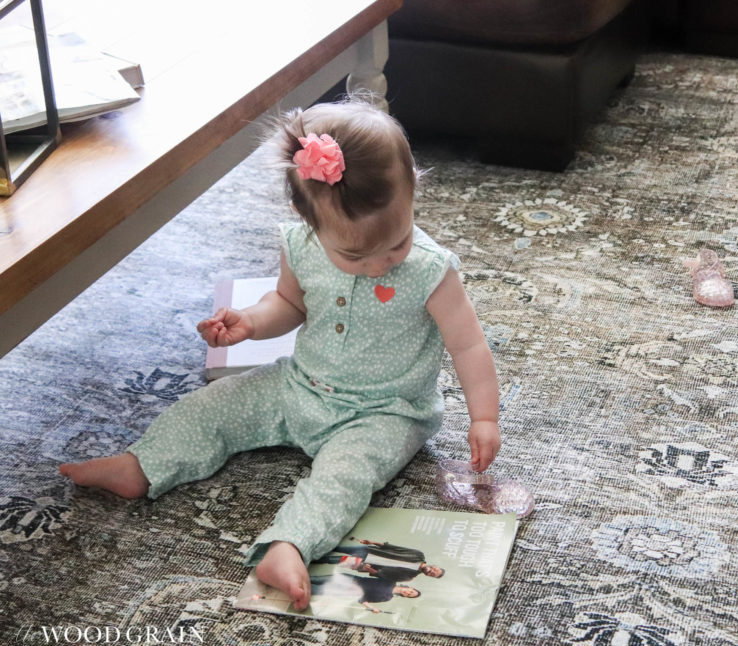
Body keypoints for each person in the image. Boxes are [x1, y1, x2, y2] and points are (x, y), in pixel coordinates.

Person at [58, 98, 501, 612]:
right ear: (305, 218)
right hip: (300, 385)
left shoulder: (431, 270)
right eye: (354, 255)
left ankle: (288, 545)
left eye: (396, 243)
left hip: (386, 413)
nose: (379, 264)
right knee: (214, 404)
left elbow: (468, 344)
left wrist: (484, 415)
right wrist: (250, 322)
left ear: (413, 193)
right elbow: (289, 303)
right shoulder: (300, 245)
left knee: (342, 479)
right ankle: (144, 463)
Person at [316, 537, 444, 581]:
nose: (431, 571)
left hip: (365, 564)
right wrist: (372, 542)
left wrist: (369, 570)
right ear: (434, 565)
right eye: (434, 569)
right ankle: (315, 546)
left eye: (432, 574)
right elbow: (393, 547)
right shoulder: (418, 555)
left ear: (429, 576)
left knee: (332, 560)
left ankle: (312, 558)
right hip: (370, 551)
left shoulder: (409, 576)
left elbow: (383, 575)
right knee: (338, 548)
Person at [309, 573, 419, 613]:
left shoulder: (387, 597)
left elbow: (364, 598)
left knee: (314, 590)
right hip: (350, 579)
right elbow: (377, 571)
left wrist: (371, 608)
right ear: (410, 587)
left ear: (405, 596)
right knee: (314, 579)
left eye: (409, 595)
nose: (408, 592)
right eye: (411, 591)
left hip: (347, 592)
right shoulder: (391, 580)